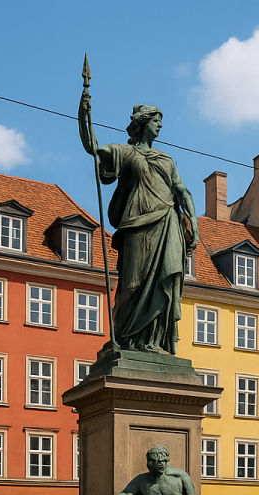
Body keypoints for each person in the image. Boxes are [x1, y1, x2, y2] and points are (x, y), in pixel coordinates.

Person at [78, 100, 199, 355]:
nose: (161, 126)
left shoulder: (166, 159)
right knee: (131, 284)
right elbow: (93, 148)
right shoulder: (126, 153)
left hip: (166, 224)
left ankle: (154, 342)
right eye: (156, 121)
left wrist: (194, 223)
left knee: (162, 283)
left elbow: (181, 190)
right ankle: (125, 339)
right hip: (136, 227)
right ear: (143, 123)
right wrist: (84, 115)